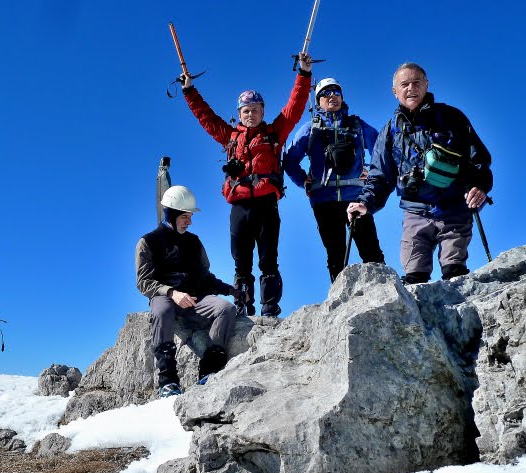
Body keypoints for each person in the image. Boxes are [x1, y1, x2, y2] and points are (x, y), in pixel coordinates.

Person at [180, 52, 313, 317]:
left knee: (268, 259)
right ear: (239, 114)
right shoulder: (228, 136)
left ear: (263, 111)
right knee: (241, 262)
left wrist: (304, 74)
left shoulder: (274, 132)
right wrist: (189, 91)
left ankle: (270, 308)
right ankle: (243, 306)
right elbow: (205, 117)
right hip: (239, 205)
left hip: (266, 204)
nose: (250, 114)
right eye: (245, 111)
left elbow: (295, 106)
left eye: (255, 110)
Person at [347, 62, 493, 284]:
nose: (411, 88)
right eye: (404, 84)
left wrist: (479, 186)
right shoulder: (390, 131)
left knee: (455, 273)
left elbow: (479, 158)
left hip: (454, 208)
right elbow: (380, 176)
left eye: (416, 82)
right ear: (395, 92)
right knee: (414, 278)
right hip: (415, 212)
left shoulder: (452, 117)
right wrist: (364, 203)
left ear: (426, 85)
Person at [136, 185, 239, 397]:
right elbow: (144, 282)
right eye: (185, 217)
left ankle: (210, 370)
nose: (190, 222)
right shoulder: (148, 242)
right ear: (171, 215)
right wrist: (172, 293)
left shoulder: (194, 242)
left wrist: (231, 290)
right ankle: (168, 381)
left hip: (195, 298)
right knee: (162, 312)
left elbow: (206, 277)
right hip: (165, 296)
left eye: (191, 216)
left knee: (226, 309)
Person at [283, 77, 385, 282]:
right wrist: (303, 180)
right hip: (324, 200)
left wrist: (373, 173)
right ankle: (340, 302)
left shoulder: (357, 125)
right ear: (318, 100)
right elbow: (290, 159)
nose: (332, 97)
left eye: (336, 92)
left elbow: (381, 151)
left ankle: (384, 292)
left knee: (370, 249)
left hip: (356, 197)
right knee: (335, 253)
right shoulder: (310, 128)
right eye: (326, 93)